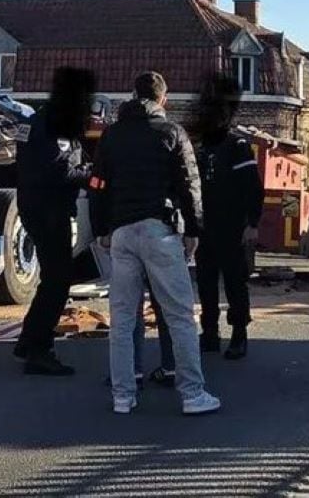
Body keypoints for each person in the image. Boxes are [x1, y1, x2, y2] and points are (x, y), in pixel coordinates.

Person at [91, 71, 221, 415]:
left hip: (121, 232)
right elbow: (190, 184)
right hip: (159, 230)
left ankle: (123, 396)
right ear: (164, 99)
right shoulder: (172, 132)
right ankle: (192, 394)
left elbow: (98, 184)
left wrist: (102, 228)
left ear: (133, 95)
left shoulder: (112, 135)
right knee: (179, 315)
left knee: (122, 319)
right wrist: (194, 229)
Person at [13, 66, 96, 376]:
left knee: (53, 278)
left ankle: (29, 340)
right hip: (49, 211)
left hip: (36, 207)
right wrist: (95, 177)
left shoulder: (38, 120)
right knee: (58, 282)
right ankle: (39, 349)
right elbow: (61, 171)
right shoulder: (53, 125)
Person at [193, 75, 264, 360]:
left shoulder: (237, 146)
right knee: (206, 282)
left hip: (232, 225)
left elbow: (252, 186)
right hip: (204, 226)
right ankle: (210, 332)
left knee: (235, 281)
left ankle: (239, 333)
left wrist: (252, 223)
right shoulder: (199, 148)